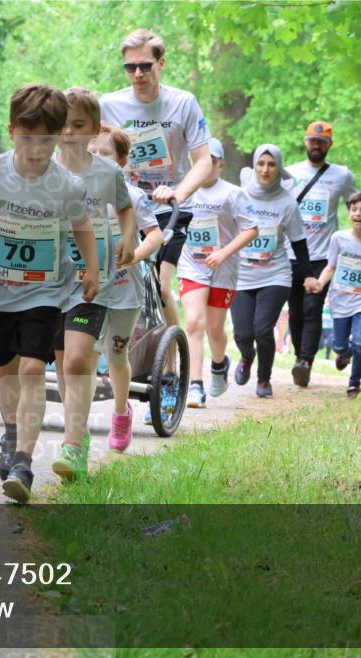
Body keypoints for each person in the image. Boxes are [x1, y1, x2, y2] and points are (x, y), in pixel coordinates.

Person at [0, 84, 97, 504]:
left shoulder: (66, 184)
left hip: (47, 290)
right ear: (12, 130)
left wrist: (92, 268)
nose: (37, 148)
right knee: (7, 371)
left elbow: (82, 226)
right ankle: (13, 434)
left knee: (34, 369)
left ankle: (23, 461)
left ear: (59, 138)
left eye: (47, 140)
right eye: (28, 137)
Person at [99, 29, 212, 341]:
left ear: (161, 63)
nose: (137, 74)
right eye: (130, 67)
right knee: (116, 276)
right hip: (127, 204)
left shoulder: (183, 103)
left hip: (172, 206)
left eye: (145, 66)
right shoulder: (109, 105)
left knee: (161, 285)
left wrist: (178, 192)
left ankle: (172, 362)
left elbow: (202, 160)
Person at [49, 88, 136, 481]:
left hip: (91, 280)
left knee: (79, 358)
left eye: (78, 125)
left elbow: (125, 208)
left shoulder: (108, 173)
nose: (68, 133)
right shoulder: (40, 169)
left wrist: (129, 238)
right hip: (49, 281)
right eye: (62, 125)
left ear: (95, 128)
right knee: (63, 364)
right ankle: (79, 434)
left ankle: (71, 445)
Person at [89, 122, 163, 450]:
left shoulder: (132, 196)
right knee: (84, 354)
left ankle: (121, 412)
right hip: (84, 289)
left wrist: (134, 256)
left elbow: (156, 236)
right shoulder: (71, 191)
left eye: (103, 154)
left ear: (120, 162)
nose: (95, 158)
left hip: (123, 290)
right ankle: (78, 427)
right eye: (90, 152)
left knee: (115, 353)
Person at [177, 137, 258, 407]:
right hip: (192, 264)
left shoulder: (233, 193)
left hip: (223, 267)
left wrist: (223, 253)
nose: (205, 166)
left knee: (214, 329)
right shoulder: (184, 190)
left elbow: (251, 229)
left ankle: (219, 363)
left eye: (211, 161)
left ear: (220, 164)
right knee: (193, 323)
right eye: (199, 160)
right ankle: (194, 386)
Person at [230, 144, 313, 398]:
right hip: (242, 274)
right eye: (261, 164)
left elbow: (299, 242)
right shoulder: (240, 195)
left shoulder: (287, 203)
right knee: (243, 333)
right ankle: (246, 356)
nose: (265, 169)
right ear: (254, 166)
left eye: (271, 164)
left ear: (279, 168)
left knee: (262, 329)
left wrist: (309, 274)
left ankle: (264, 379)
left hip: (275, 274)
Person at [286, 121, 359, 387]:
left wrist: (357, 241)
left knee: (312, 307)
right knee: (295, 309)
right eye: (312, 141)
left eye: (322, 142)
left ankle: (306, 360)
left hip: (323, 254)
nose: (316, 146)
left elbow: (357, 204)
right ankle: (298, 357)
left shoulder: (341, 175)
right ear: (305, 141)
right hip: (291, 251)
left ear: (330, 144)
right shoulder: (290, 173)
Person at [309, 191, 361, 398]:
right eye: (354, 209)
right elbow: (330, 267)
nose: (358, 214)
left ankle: (354, 384)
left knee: (359, 340)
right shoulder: (338, 238)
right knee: (339, 344)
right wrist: (320, 283)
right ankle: (343, 354)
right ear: (349, 213)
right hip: (340, 297)